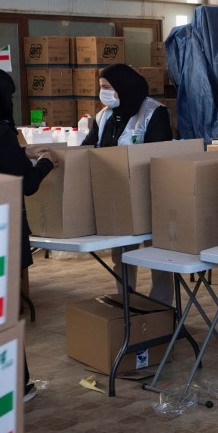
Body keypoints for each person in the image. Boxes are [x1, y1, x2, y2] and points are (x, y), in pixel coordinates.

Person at [0, 67, 60, 404]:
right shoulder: (0, 131)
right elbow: (26, 185)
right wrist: (47, 161)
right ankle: (18, 386)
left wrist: (22, 154)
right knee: (2, 312)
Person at [81, 63, 175, 306]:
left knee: (158, 255)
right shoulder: (104, 116)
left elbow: (160, 154)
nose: (103, 93)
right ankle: (126, 305)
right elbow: (89, 148)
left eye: (107, 87)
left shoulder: (155, 113)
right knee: (122, 255)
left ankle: (160, 309)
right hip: (116, 198)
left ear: (123, 87)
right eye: (101, 87)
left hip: (150, 196)